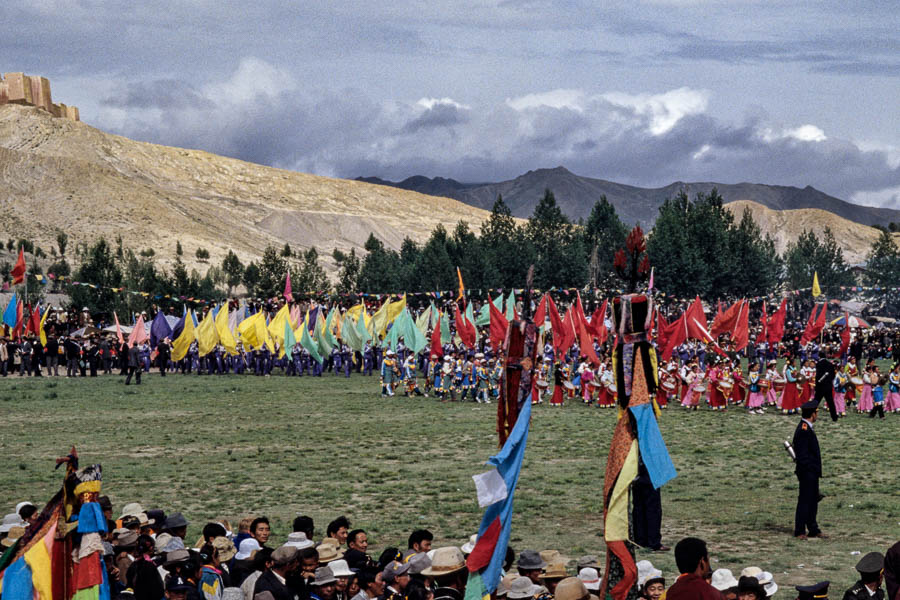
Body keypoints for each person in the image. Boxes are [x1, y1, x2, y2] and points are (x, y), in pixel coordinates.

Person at [793, 399, 824, 539]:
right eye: (816, 413)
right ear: (812, 414)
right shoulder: (803, 430)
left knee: (812, 501)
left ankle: (813, 528)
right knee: (805, 501)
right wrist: (810, 469)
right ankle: (800, 530)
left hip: (812, 471)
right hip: (807, 472)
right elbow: (802, 455)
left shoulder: (807, 427)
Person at [814, 351, 838, 421]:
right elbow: (833, 375)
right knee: (831, 403)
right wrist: (828, 381)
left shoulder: (818, 364)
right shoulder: (829, 364)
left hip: (820, 387)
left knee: (816, 402)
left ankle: (810, 415)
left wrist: (817, 385)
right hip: (828, 386)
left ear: (819, 356)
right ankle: (834, 417)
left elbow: (817, 376)